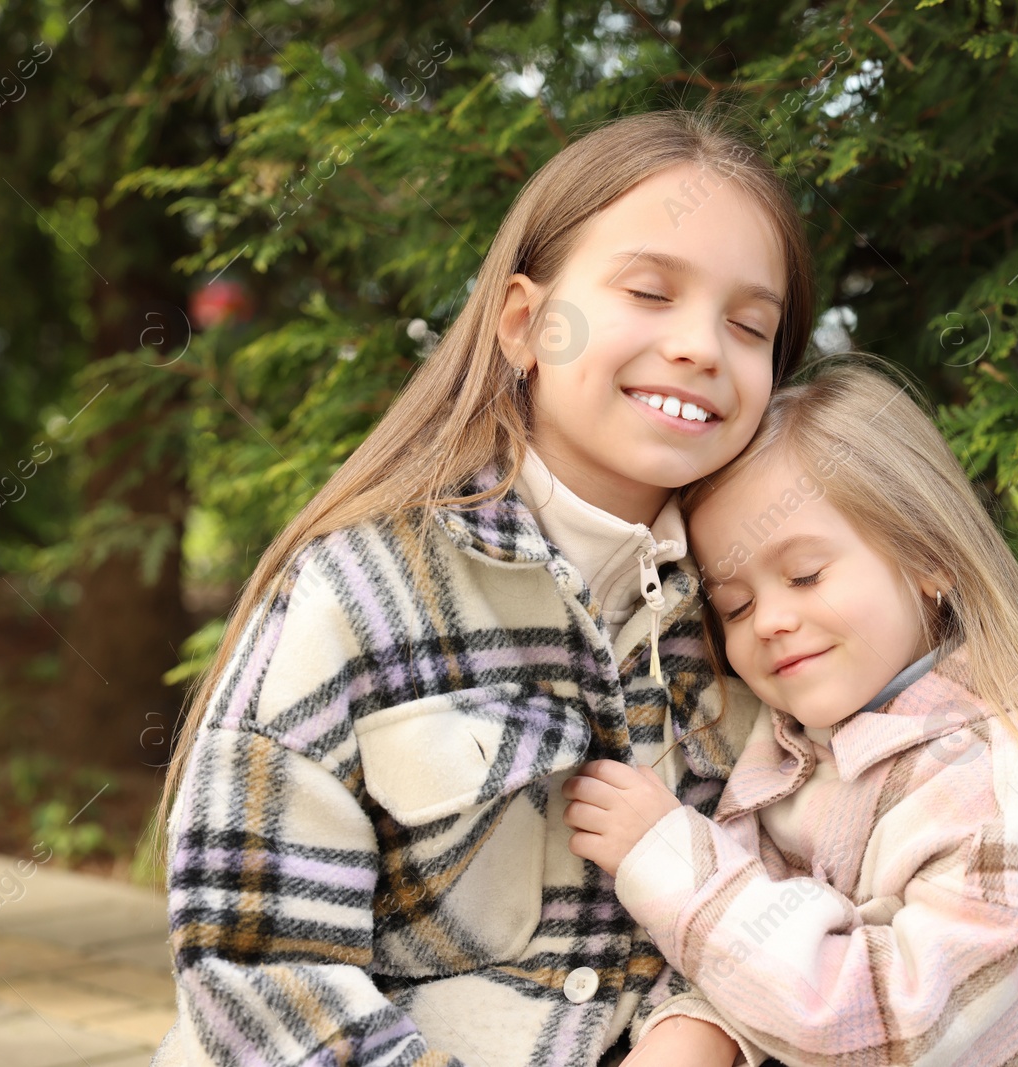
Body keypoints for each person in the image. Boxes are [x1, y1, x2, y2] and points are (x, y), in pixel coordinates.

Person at [150, 108, 818, 1067]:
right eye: (649, 291)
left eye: (749, 324)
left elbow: (803, 882)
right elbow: (257, 960)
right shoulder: (363, 588)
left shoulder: (756, 620)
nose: (701, 346)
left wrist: (702, 1030)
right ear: (524, 323)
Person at [562, 357, 1018, 1067]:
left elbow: (906, 1036)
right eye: (734, 605)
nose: (769, 619)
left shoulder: (1008, 777)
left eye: (805, 574)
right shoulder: (786, 753)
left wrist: (675, 867)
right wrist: (693, 1030)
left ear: (929, 558)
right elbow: (764, 964)